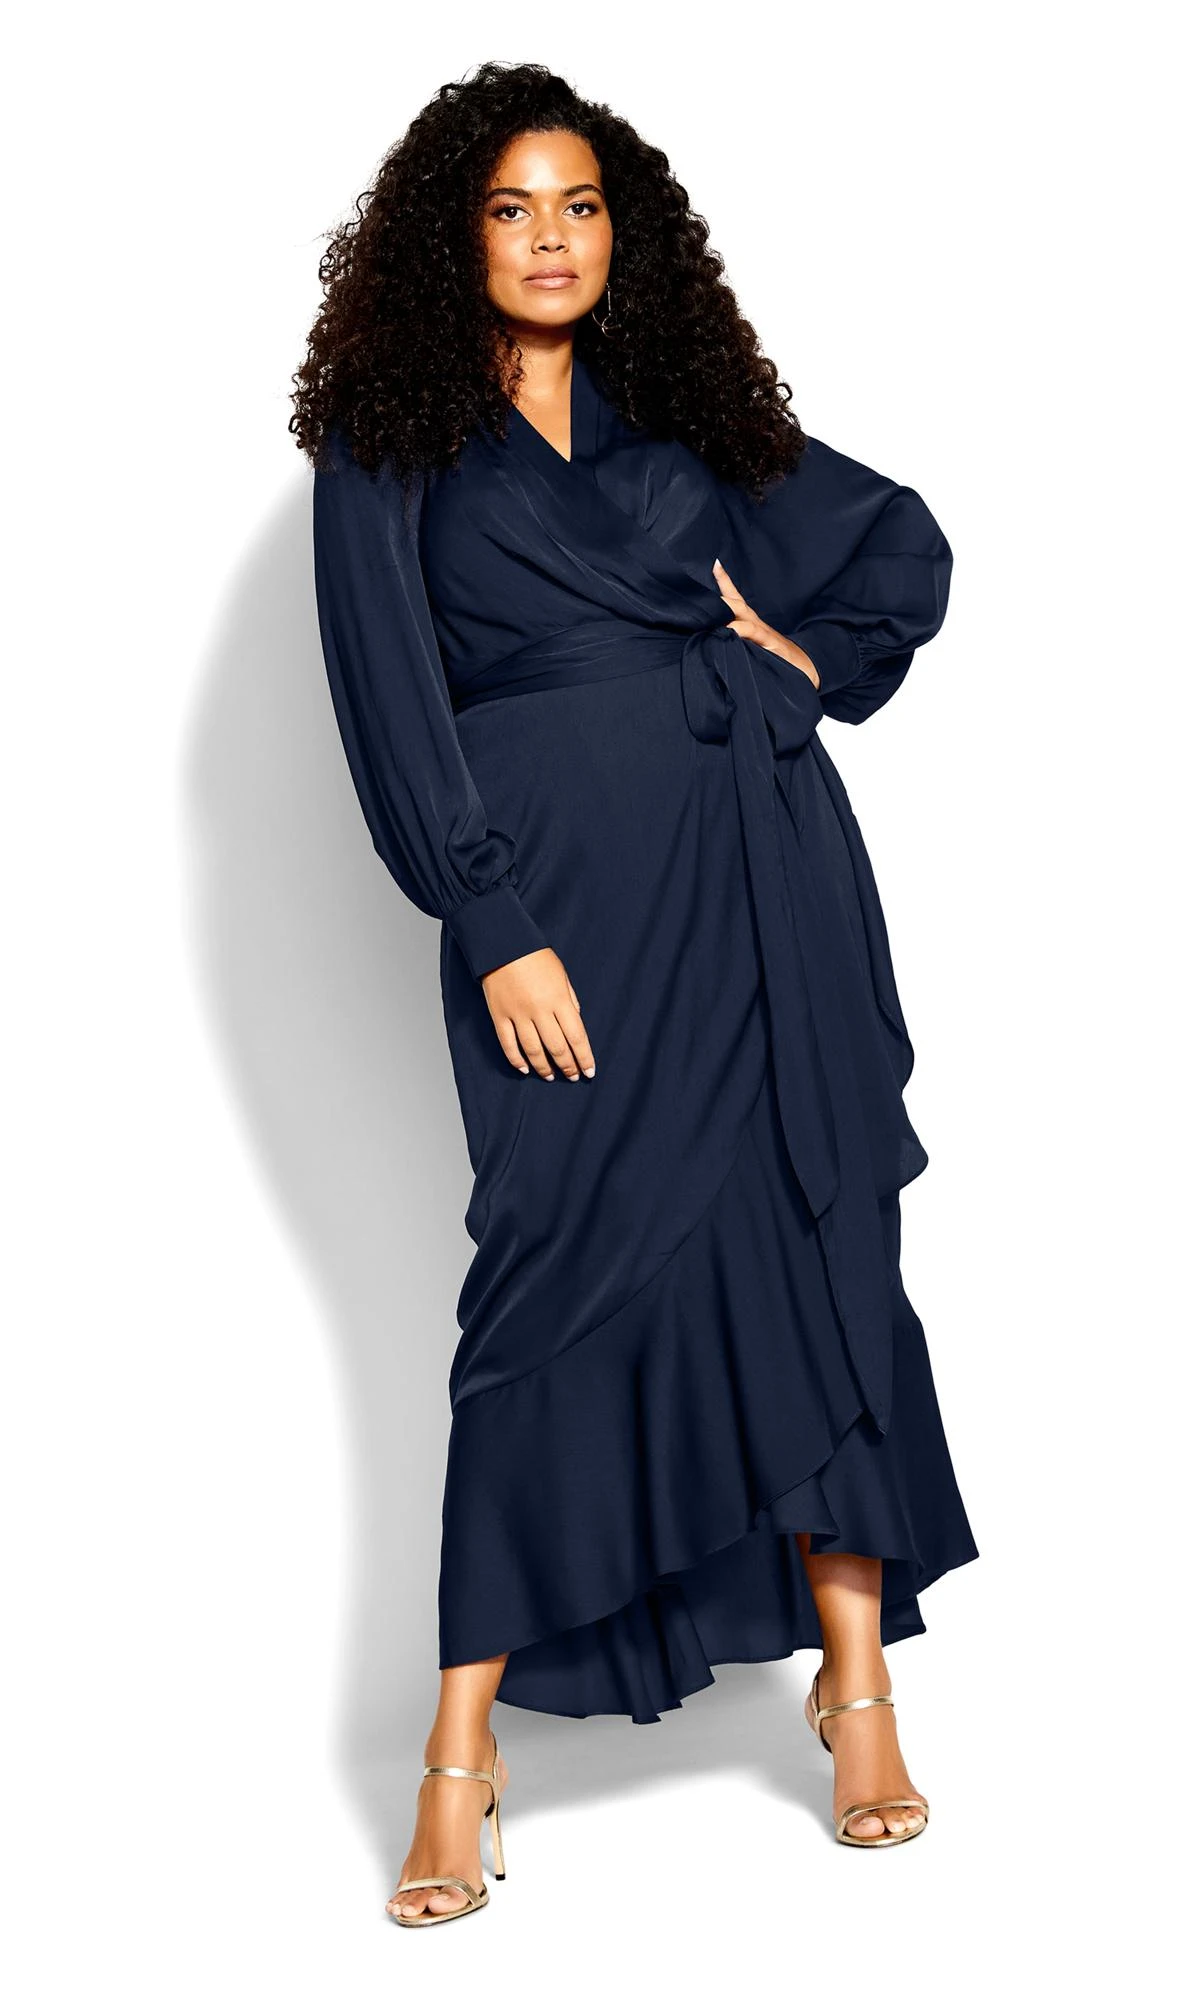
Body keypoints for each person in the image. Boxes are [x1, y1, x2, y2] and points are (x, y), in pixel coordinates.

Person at [294, 59, 979, 1926]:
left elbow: (899, 544)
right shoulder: (389, 436)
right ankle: (460, 1754)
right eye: (512, 207)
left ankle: (858, 1689)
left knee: (811, 1247)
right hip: (563, 914)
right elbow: (387, 700)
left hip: (763, 883)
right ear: (452, 236)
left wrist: (803, 656)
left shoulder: (681, 413)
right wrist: (491, 920)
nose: (550, 238)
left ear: (625, 232)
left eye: (581, 205)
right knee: (545, 1281)